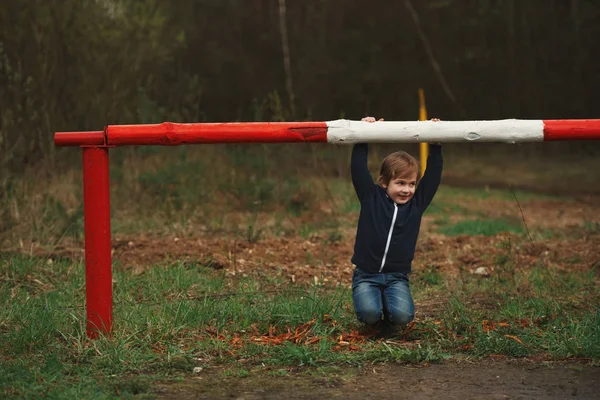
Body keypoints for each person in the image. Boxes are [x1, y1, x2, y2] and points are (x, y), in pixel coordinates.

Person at [350, 116, 443, 334]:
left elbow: (433, 176)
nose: (406, 190)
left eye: (411, 184)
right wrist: (364, 135)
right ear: (384, 182)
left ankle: (389, 317)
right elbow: (358, 168)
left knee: (403, 316)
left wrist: (436, 143)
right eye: (400, 183)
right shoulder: (370, 197)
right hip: (367, 275)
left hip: (396, 277)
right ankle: (373, 319)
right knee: (369, 313)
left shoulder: (417, 204)